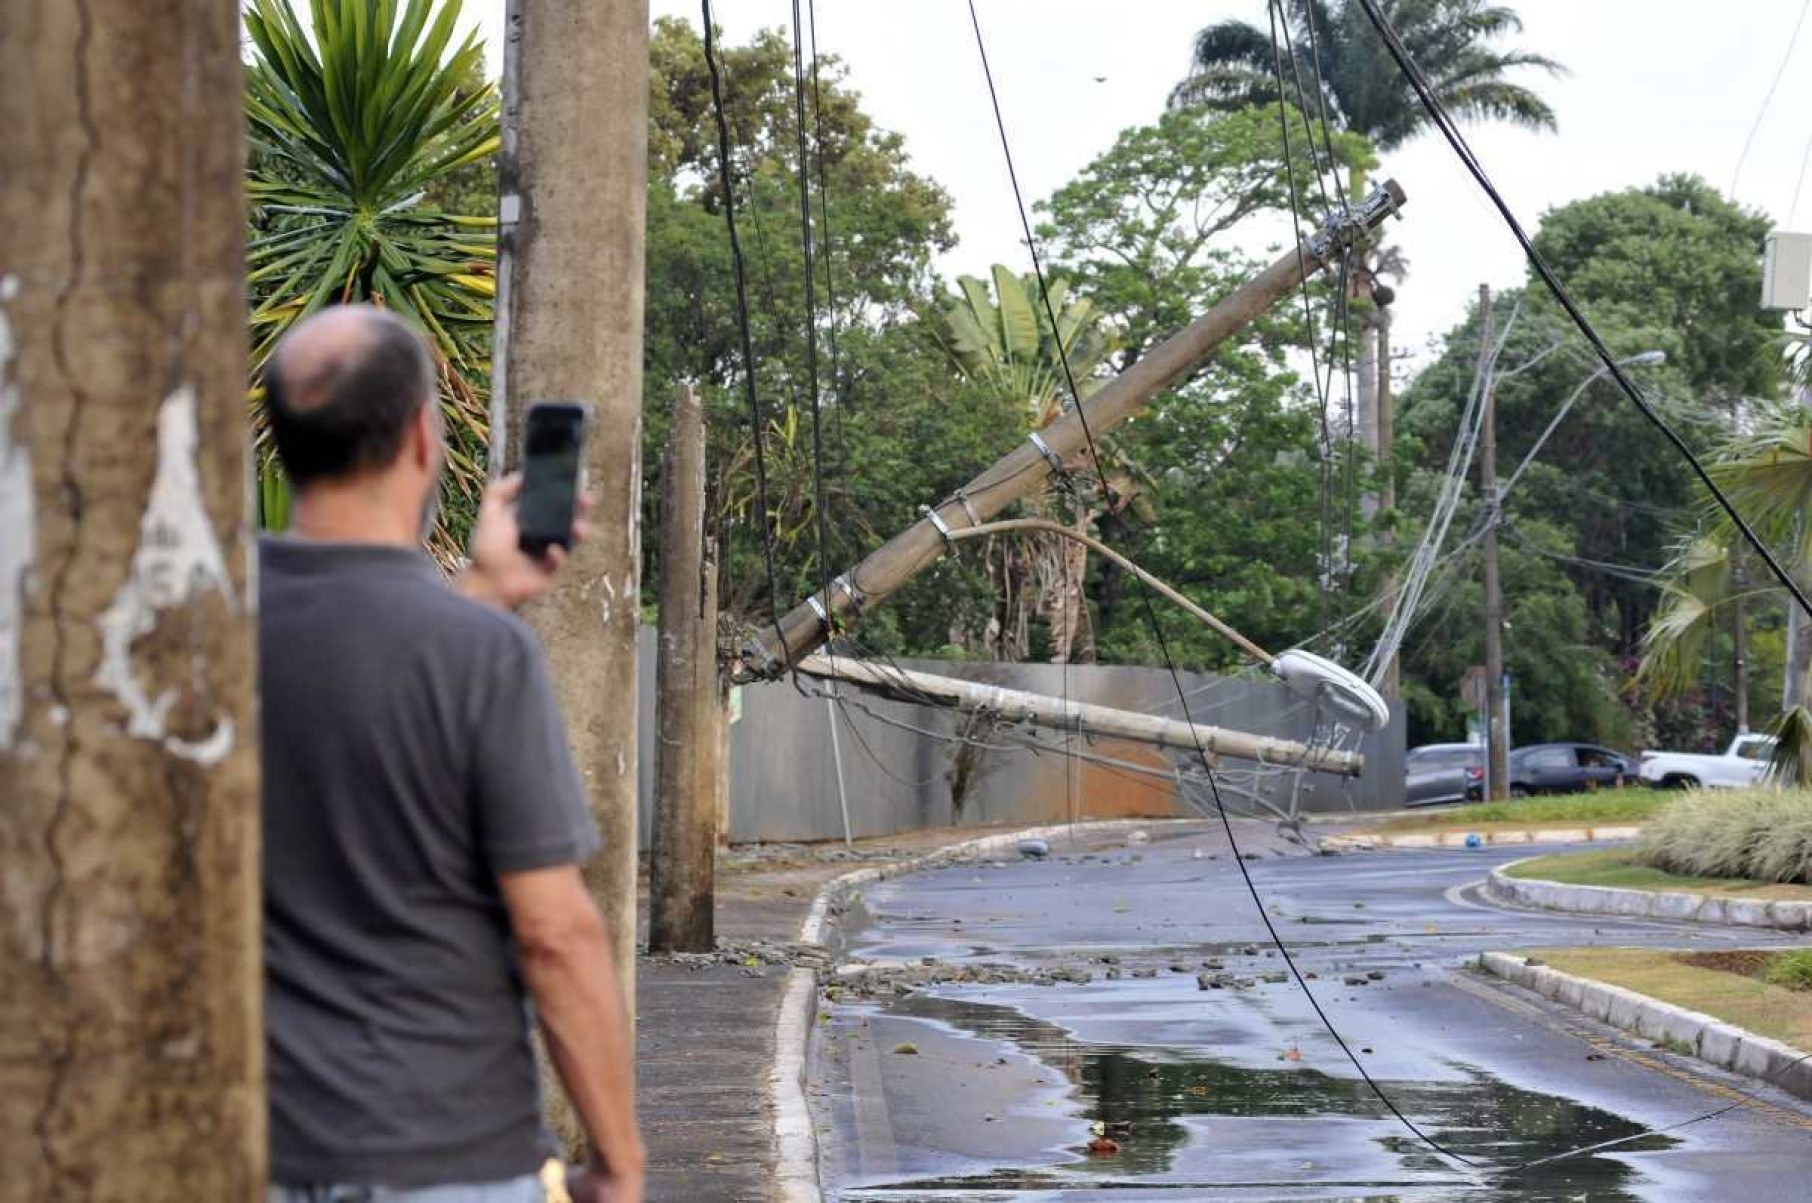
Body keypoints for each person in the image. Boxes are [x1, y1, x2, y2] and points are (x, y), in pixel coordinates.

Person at [258, 304, 643, 1203]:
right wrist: (619, 1164)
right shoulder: (477, 657)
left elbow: (350, 670)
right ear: (424, 440)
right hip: (445, 1156)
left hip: (245, 1147)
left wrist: (480, 590)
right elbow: (555, 933)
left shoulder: (196, 625)